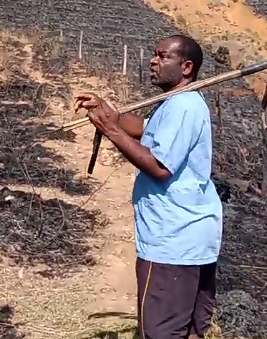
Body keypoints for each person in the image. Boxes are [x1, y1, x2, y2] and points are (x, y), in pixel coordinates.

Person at [75, 34, 223, 339]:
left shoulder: (183, 107)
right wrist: (108, 113)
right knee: (191, 331)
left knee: (160, 332)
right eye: (154, 54)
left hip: (172, 242)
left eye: (162, 56)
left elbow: (159, 167)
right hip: (191, 238)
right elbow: (145, 129)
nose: (153, 61)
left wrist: (111, 131)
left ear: (186, 67)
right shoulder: (177, 103)